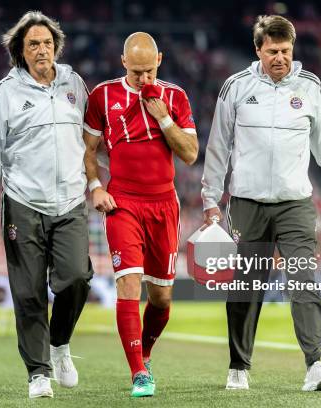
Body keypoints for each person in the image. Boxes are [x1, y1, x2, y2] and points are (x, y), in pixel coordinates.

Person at [201, 15, 321, 392]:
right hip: (246, 204)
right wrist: (210, 198)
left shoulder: (310, 87)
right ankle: (239, 365)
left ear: (293, 49)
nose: (280, 58)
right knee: (246, 287)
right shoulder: (235, 87)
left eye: (285, 51)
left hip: (295, 204)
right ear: (258, 50)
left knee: (303, 279)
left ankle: (317, 362)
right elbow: (218, 147)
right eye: (272, 51)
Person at [0, 10, 93, 399]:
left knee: (76, 278)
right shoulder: (6, 91)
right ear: (20, 53)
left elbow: (92, 140)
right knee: (28, 292)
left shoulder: (75, 83)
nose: (42, 50)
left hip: (72, 200)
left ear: (57, 46)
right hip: (23, 202)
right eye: (33, 45)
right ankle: (38, 372)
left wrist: (100, 182)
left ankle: (59, 345)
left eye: (46, 43)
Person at [83, 32, 198, 398]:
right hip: (123, 203)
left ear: (160, 60)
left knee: (162, 298)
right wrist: (95, 187)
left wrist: (163, 118)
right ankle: (138, 374)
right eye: (136, 72)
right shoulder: (102, 96)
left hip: (164, 205)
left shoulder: (174, 97)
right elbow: (88, 149)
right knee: (128, 285)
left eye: (149, 71)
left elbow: (191, 153)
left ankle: (144, 353)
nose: (144, 79)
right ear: (123, 63)